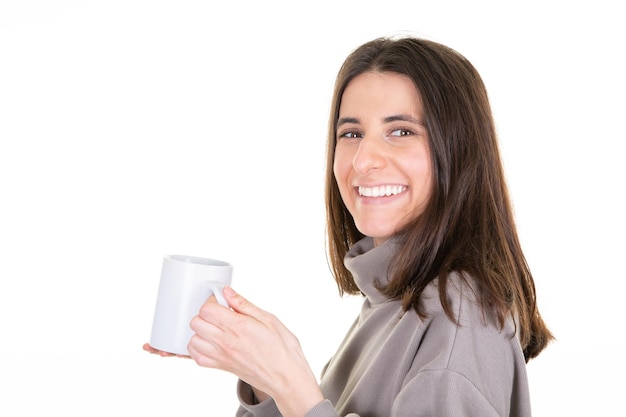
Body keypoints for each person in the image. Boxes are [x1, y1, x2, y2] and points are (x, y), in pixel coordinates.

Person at [144, 35, 553, 417]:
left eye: (402, 131)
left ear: (460, 153)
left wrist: (294, 387)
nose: (363, 160)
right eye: (352, 133)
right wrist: (264, 378)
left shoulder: (457, 315)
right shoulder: (397, 300)